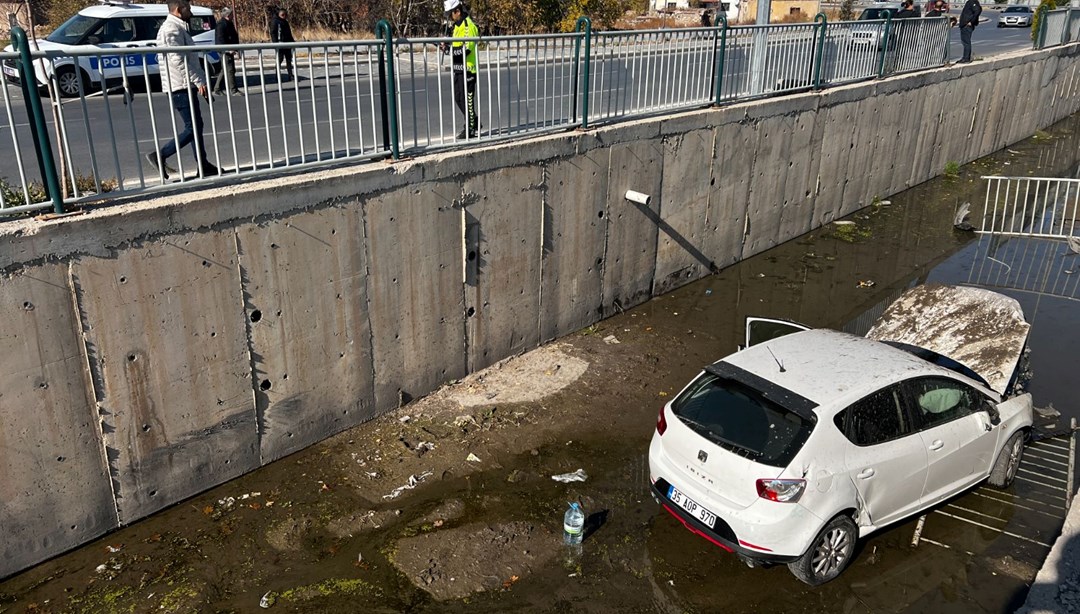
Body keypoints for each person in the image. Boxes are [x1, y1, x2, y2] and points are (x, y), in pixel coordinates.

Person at [144, 0, 219, 180]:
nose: (191, 13)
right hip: (180, 86)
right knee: (193, 127)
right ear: (179, 10)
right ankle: (160, 155)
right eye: (188, 9)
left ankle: (203, 165)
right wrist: (198, 81)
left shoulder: (177, 27)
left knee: (195, 126)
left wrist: (199, 81)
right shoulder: (171, 29)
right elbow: (178, 60)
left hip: (184, 84)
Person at [441, 0, 479, 139]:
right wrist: (446, 46)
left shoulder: (468, 26)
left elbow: (466, 49)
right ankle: (474, 121)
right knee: (458, 98)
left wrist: (449, 50)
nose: (450, 18)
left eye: (450, 14)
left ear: (457, 11)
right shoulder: (456, 27)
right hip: (458, 68)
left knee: (467, 100)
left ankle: (470, 129)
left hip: (467, 70)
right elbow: (456, 46)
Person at [213, 6, 242, 96]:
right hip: (225, 51)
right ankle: (233, 90)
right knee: (230, 70)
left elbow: (233, 36)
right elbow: (220, 39)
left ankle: (217, 88)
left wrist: (235, 48)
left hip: (229, 50)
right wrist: (227, 50)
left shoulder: (229, 23)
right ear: (227, 15)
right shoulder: (221, 24)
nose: (233, 15)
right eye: (231, 14)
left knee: (225, 69)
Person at [270, 8, 294, 80]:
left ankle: (290, 74)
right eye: (282, 15)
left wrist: (292, 42)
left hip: (287, 43)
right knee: (279, 60)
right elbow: (273, 33)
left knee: (289, 59)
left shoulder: (285, 22)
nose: (284, 16)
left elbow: (289, 33)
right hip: (279, 44)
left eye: (285, 15)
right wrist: (275, 43)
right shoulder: (275, 22)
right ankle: (277, 76)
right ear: (279, 14)